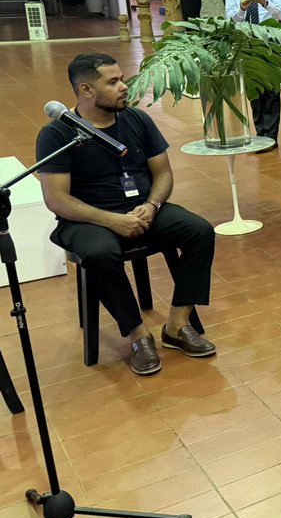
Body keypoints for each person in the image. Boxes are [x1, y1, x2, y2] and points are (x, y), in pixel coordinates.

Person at [35, 53, 217, 376]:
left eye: (122, 78)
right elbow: (57, 199)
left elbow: (163, 174)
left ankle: (177, 325)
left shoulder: (137, 120)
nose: (124, 87)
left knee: (199, 231)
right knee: (100, 252)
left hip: (143, 209)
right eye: (113, 82)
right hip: (89, 219)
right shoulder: (57, 135)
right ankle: (138, 335)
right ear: (86, 90)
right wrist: (112, 220)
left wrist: (152, 206)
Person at [224, 0, 281, 147]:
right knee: (254, 91)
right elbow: (230, 17)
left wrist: (263, 1)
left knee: (271, 90)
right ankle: (260, 135)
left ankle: (271, 138)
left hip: (269, 42)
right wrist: (242, 9)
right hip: (245, 42)